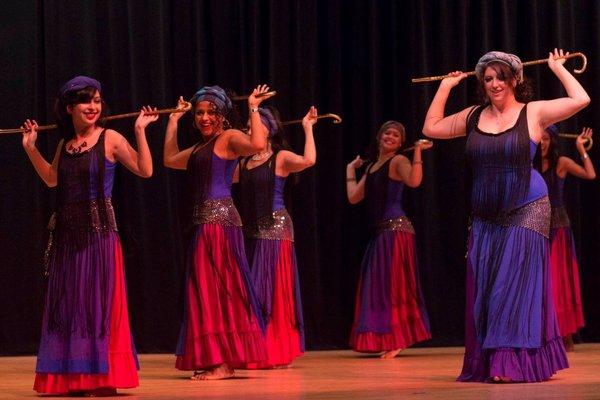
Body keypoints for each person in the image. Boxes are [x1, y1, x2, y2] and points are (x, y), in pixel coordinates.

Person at [422, 49, 590, 382]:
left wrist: (558, 68)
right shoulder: (473, 116)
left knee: (508, 287)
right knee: (488, 289)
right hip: (485, 216)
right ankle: (505, 362)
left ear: (515, 79)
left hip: (528, 208)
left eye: (501, 76)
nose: (494, 83)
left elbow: (580, 98)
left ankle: (507, 364)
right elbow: (432, 128)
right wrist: (445, 88)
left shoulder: (534, 112)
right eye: (488, 78)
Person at [22, 76, 156, 395]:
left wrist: (139, 131)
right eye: (86, 101)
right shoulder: (64, 144)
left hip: (100, 237)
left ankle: (100, 378)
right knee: (72, 309)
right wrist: (29, 147)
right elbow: (52, 180)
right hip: (69, 240)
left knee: (97, 308)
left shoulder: (109, 138)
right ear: (70, 108)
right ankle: (75, 378)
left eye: (97, 101)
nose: (93, 107)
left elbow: (145, 169)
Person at [164, 85, 270, 380]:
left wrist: (253, 107)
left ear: (223, 114)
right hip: (205, 226)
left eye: (211, 112)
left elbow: (258, 145)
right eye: (199, 113)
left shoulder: (230, 137)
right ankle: (217, 358)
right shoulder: (200, 147)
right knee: (205, 292)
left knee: (218, 292)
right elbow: (170, 159)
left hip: (220, 226)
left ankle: (223, 362)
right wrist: (173, 121)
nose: (205, 118)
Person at [235, 105, 317, 368]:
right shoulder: (244, 162)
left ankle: (273, 350)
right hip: (250, 233)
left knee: (270, 293)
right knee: (251, 293)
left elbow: (308, 161)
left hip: (276, 231)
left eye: (253, 127)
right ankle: (253, 349)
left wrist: (307, 128)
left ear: (268, 130)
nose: (249, 131)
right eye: (247, 128)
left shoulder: (280, 158)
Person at [346, 121, 433, 358]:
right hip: (381, 234)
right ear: (379, 137)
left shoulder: (398, 161)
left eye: (396, 135)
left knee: (394, 287)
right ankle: (387, 338)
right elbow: (354, 197)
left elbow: (414, 181)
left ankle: (398, 339)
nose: (391, 137)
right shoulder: (373, 166)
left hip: (397, 232)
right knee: (378, 288)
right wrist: (349, 169)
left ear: (400, 142)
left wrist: (416, 152)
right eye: (387, 133)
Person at [537, 125, 595, 350]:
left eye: (546, 139)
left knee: (558, 281)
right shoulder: (529, 165)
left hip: (558, 229)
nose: (542, 143)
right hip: (537, 229)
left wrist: (581, 149)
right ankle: (544, 333)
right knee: (541, 283)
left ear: (552, 141)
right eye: (539, 139)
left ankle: (564, 333)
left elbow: (590, 174)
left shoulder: (561, 163)